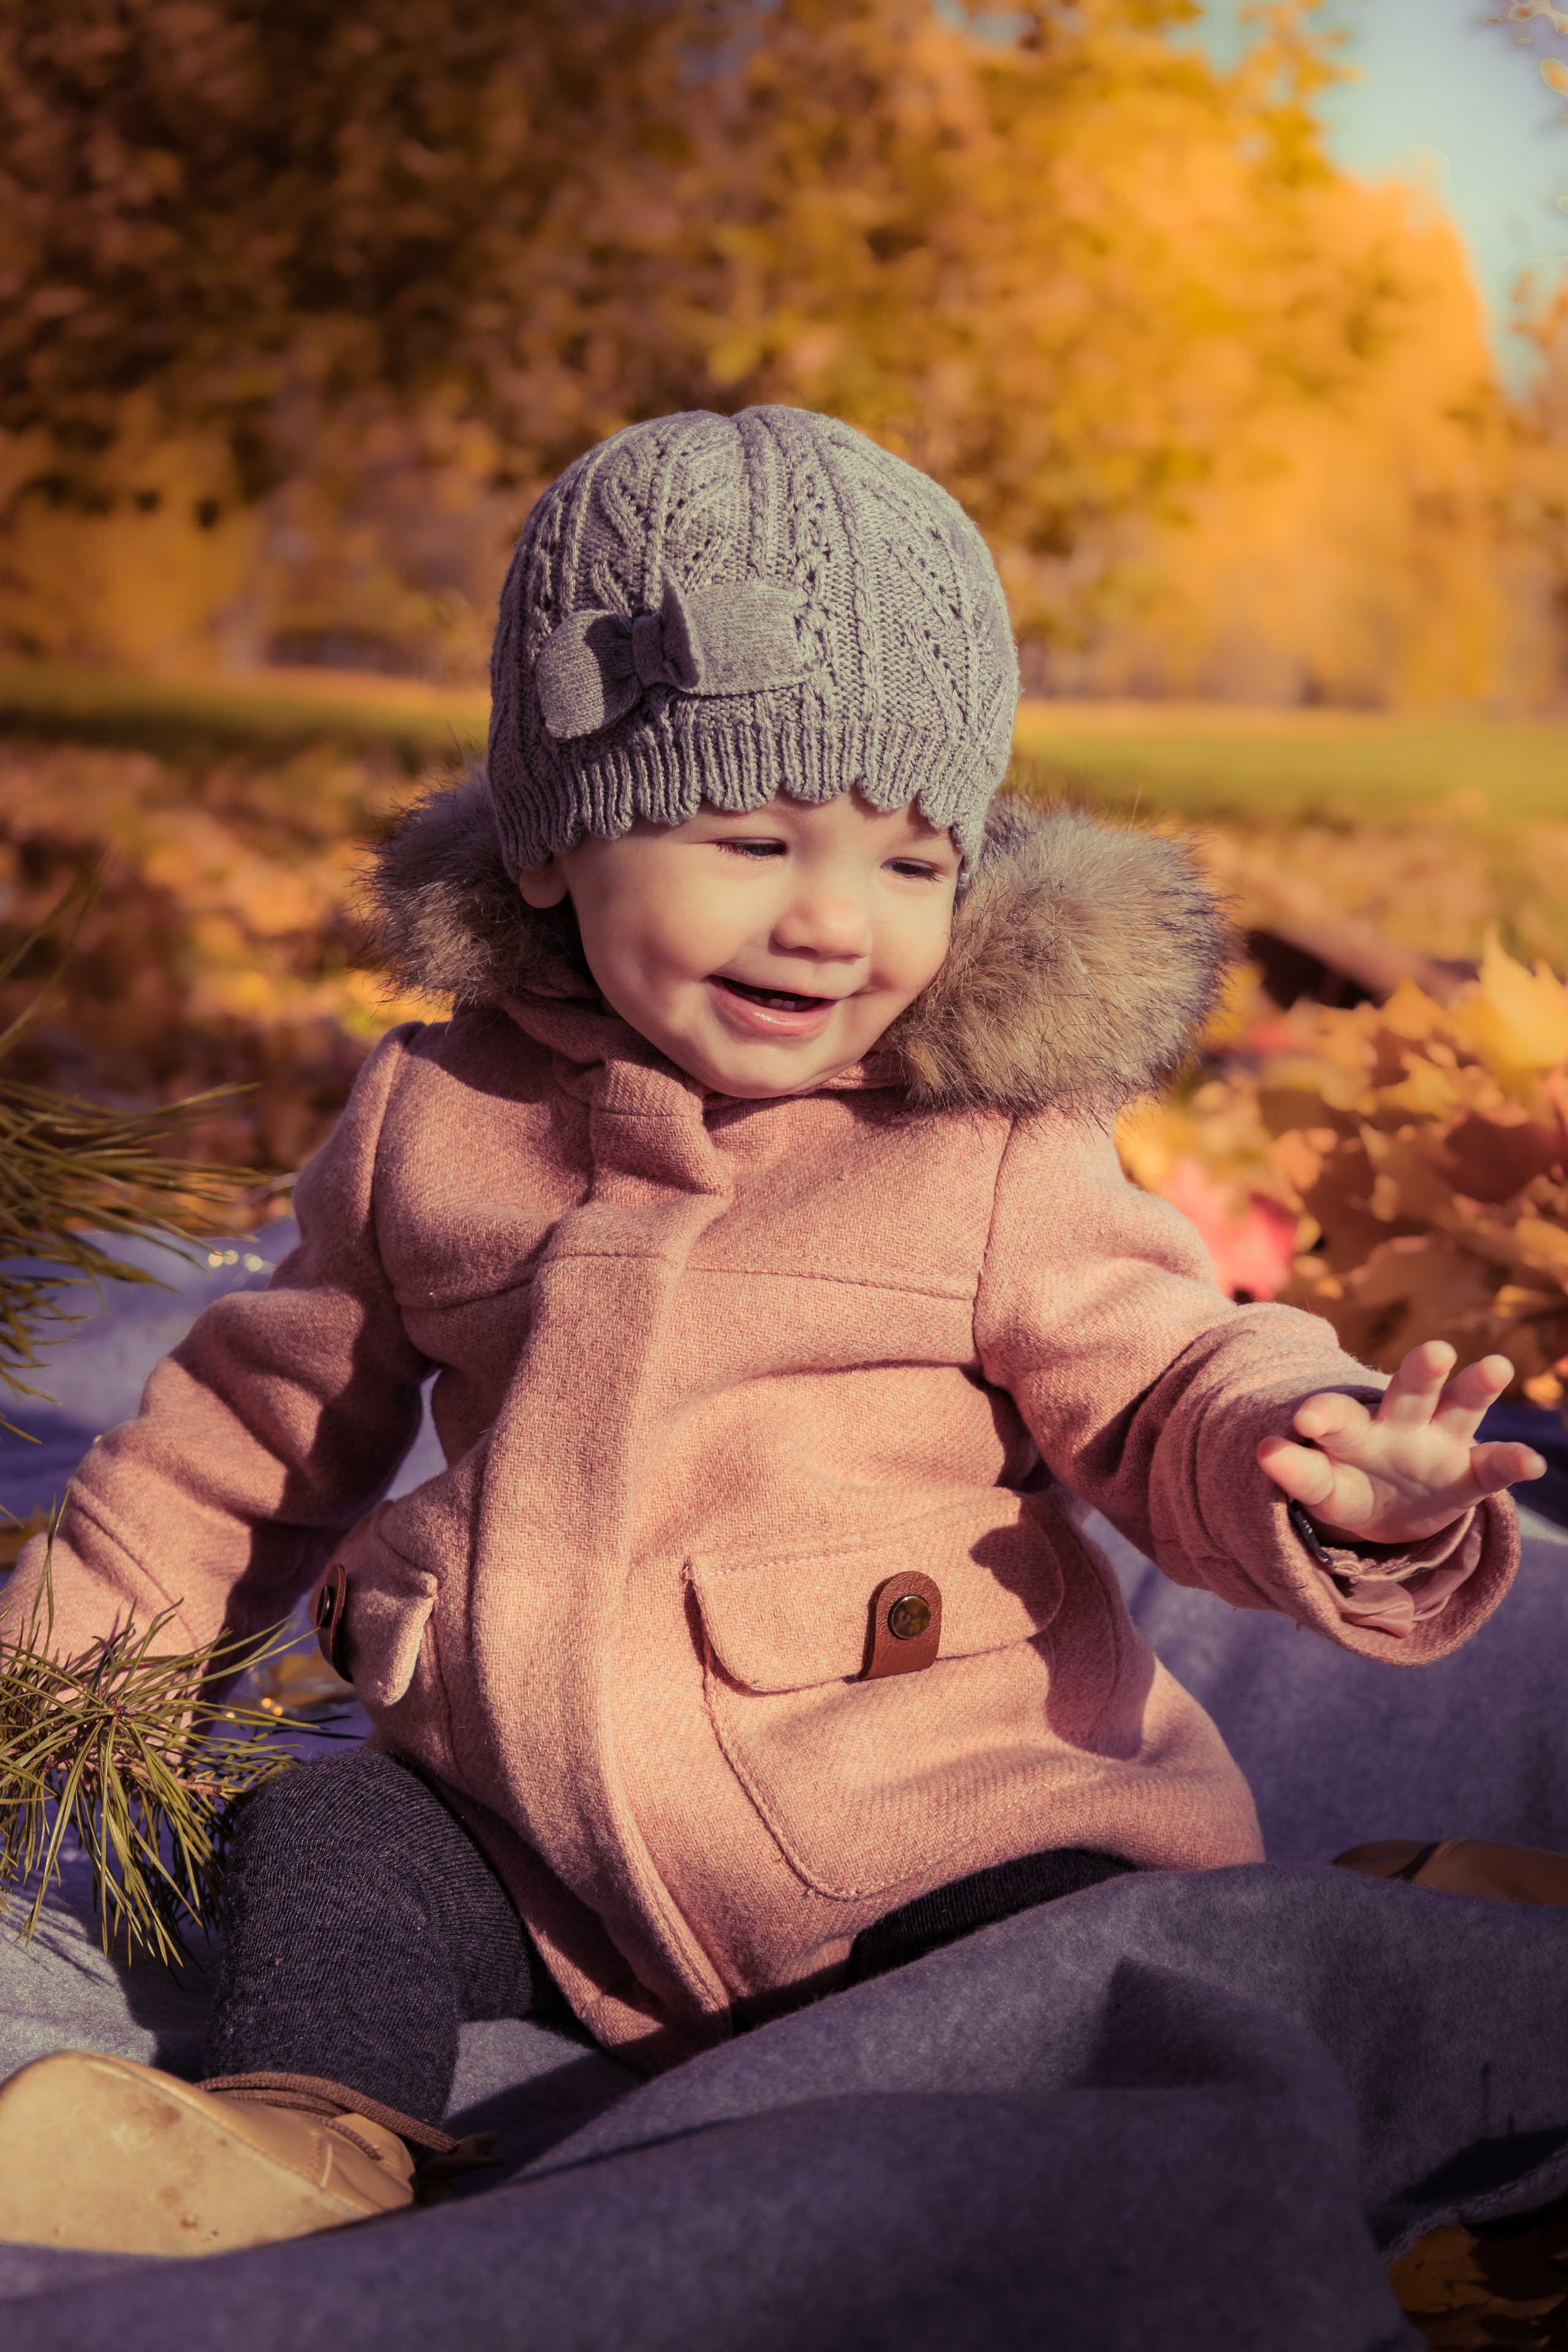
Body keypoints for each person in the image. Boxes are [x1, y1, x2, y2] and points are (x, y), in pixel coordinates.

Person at [0, 405, 1543, 2258]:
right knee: (325, 1844)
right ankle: (306, 2130)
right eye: (752, 836)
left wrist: (1327, 1460)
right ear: (559, 845)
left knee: (1079, 1971)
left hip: (922, 1805)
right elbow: (242, 1441)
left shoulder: (978, 1137)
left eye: (912, 861)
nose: (835, 923)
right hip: (538, 1834)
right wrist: (48, 1692)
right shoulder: (434, 1119)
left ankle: (1375, 1945)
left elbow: (1165, 1369)